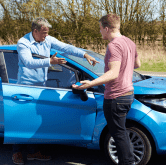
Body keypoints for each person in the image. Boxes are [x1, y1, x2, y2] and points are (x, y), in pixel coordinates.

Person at [12, 17, 99, 165]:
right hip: (26, 87)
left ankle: (33, 152)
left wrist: (85, 55)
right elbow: (28, 63)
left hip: (41, 86)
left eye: (47, 33)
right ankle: (16, 152)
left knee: (37, 120)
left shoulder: (47, 39)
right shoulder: (23, 43)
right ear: (35, 31)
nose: (46, 36)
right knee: (23, 120)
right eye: (44, 33)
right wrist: (50, 62)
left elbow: (66, 47)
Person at [72, 14, 141, 165]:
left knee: (119, 134)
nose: (100, 32)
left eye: (100, 29)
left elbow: (113, 73)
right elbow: (137, 64)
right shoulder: (129, 42)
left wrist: (90, 83)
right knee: (121, 132)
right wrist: (124, 66)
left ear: (107, 28)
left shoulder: (114, 45)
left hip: (116, 96)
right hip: (128, 93)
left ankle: (127, 163)